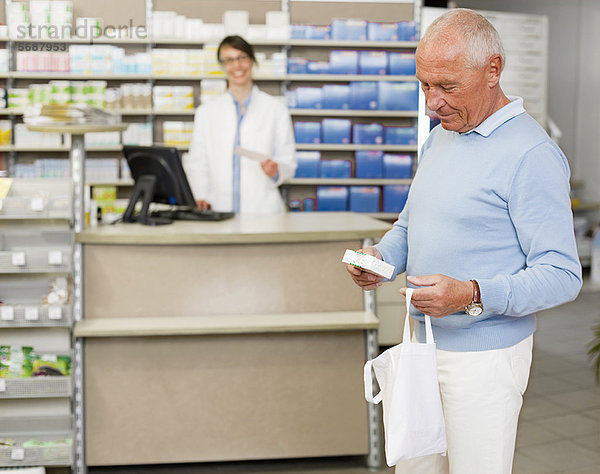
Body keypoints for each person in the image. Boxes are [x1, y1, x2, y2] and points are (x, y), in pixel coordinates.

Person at [346, 9, 582, 474]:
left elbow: (563, 274)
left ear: (492, 70)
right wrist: (381, 259)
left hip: (485, 358)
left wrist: (471, 294)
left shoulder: (531, 154)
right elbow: (411, 227)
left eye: (447, 87)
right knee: (416, 468)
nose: (433, 102)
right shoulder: (441, 139)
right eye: (425, 85)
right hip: (419, 345)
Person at [184, 35, 296, 214]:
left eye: (241, 58)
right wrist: (201, 195)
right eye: (229, 60)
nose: (236, 66)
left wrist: (276, 170)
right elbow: (197, 162)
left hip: (263, 209)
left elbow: (288, 160)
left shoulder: (276, 109)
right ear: (222, 66)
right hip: (218, 207)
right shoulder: (206, 112)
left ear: (251, 61)